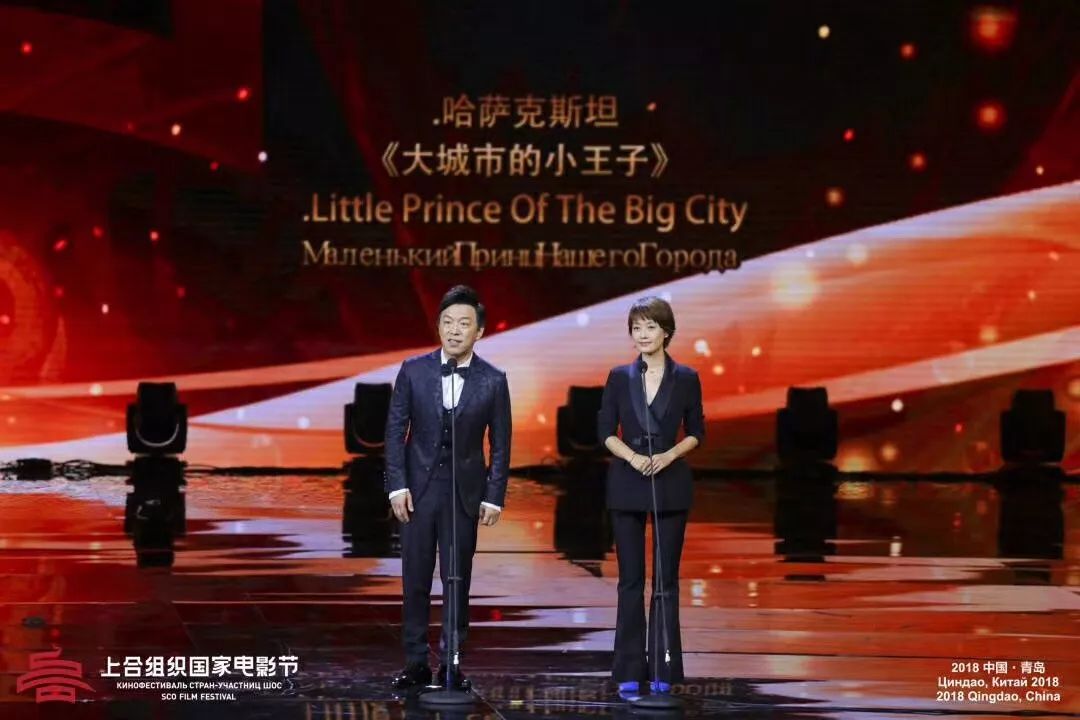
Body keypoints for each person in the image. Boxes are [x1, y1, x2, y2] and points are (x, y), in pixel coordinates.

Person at [385, 285, 512, 691]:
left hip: (464, 493)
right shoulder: (413, 370)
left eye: (463, 324)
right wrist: (396, 486)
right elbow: (394, 432)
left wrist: (494, 494)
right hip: (418, 490)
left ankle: (452, 664)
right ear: (438, 326)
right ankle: (416, 663)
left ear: (479, 332)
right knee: (415, 579)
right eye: (447, 322)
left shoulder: (494, 380)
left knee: (457, 580)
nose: (454, 331)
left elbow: (501, 443)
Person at [597, 296, 704, 696]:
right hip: (627, 481)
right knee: (630, 580)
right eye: (636, 328)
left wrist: (669, 455)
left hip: (670, 481)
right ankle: (628, 667)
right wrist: (633, 457)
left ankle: (663, 667)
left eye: (650, 327)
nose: (642, 335)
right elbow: (605, 431)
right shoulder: (619, 376)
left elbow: (697, 431)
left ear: (666, 332)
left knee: (665, 580)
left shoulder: (687, 377)